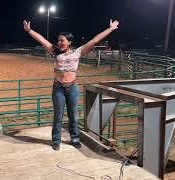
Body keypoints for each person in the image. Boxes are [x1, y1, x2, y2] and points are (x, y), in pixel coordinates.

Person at [23, 19, 119, 150]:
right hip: (58, 88)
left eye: (62, 40)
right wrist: (29, 30)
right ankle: (56, 140)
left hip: (72, 88)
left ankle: (75, 139)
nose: (59, 43)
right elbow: (42, 40)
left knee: (73, 115)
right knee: (58, 115)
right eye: (58, 40)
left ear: (69, 42)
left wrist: (111, 29)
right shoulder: (55, 52)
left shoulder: (78, 52)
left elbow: (95, 40)